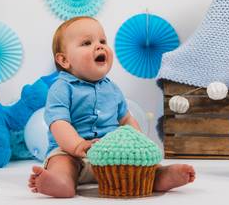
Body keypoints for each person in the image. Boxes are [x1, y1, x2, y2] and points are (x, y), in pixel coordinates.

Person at [28, 16, 195, 198]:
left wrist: (140, 145)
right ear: (64, 60)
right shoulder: (61, 87)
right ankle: (59, 182)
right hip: (71, 154)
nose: (99, 46)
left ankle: (159, 175)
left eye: (102, 41)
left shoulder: (112, 89)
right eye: (86, 42)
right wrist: (77, 146)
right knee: (62, 165)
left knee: (139, 168)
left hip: (111, 156)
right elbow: (58, 122)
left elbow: (126, 120)